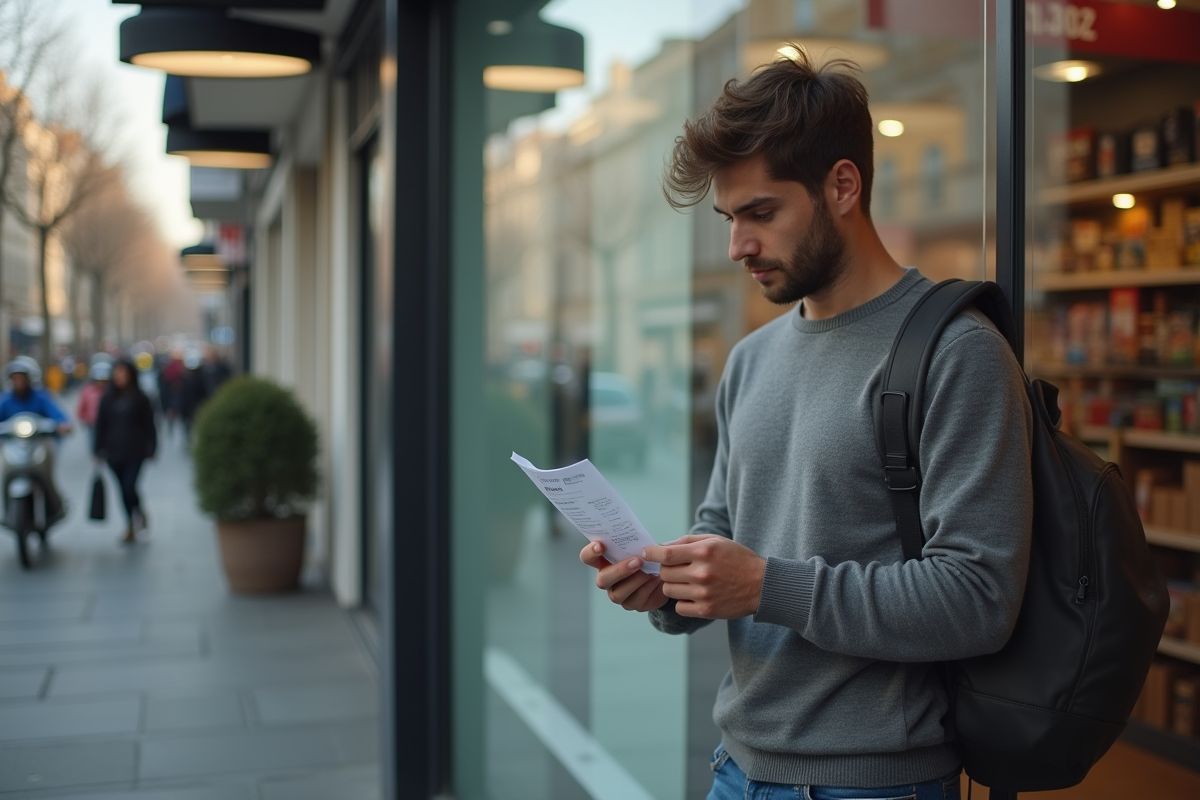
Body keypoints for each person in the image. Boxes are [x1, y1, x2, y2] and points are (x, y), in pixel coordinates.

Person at [580, 52, 1033, 800]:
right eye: (729, 220)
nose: (738, 247)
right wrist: (665, 584)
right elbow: (724, 531)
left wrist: (764, 586)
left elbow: (978, 599)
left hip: (877, 782)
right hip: (736, 770)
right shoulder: (751, 359)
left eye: (760, 213)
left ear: (843, 186)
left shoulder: (958, 353)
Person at [93, 360, 157, 544]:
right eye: (117, 373)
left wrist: (152, 447)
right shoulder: (107, 398)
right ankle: (130, 522)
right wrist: (97, 449)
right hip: (113, 452)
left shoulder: (141, 398)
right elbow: (100, 425)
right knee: (122, 489)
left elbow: (149, 424)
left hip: (135, 451)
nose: (119, 376)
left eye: (123, 372)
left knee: (130, 486)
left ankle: (137, 513)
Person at [0, 359, 72, 522]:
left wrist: (61, 425)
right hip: (15, 446)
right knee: (5, 471)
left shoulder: (41, 397)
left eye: (21, 378)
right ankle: (6, 510)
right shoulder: (6, 399)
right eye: (15, 378)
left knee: (46, 473)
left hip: (38, 445)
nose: (18, 382)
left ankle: (53, 505)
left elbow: (58, 416)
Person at [76, 361, 111, 433]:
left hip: (108, 423)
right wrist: (83, 417)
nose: (101, 383)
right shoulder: (88, 390)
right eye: (98, 380)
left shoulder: (110, 391)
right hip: (92, 423)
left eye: (103, 381)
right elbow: (83, 405)